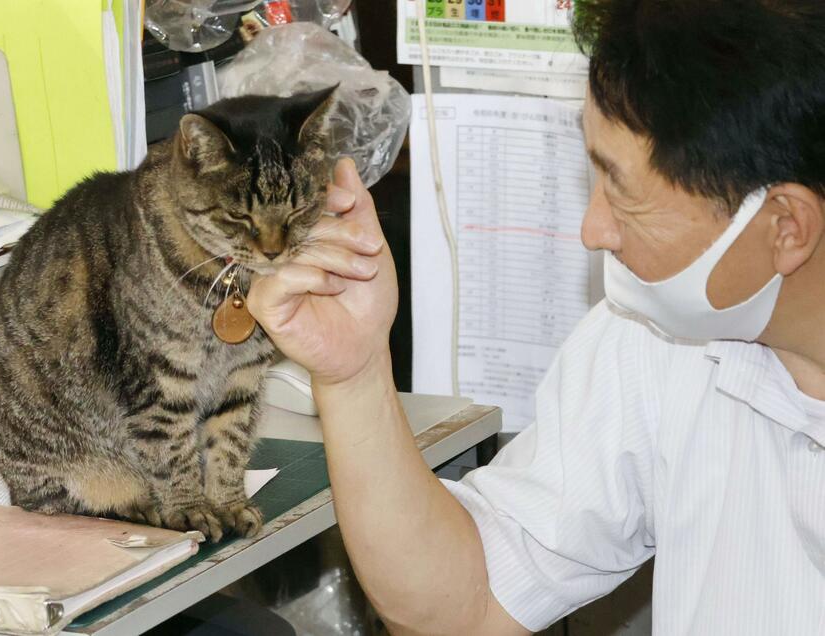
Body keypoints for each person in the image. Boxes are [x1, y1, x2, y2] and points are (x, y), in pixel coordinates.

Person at [247, 1, 825, 634]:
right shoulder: (658, 336)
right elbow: (463, 605)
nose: (593, 230)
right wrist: (354, 374)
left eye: (622, 190)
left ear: (786, 227)